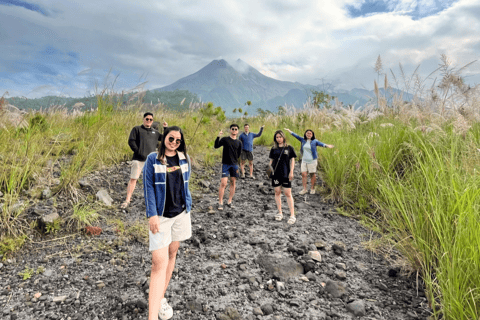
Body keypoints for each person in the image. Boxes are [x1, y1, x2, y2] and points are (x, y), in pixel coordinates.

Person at [143, 126, 192, 320]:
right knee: (158, 263)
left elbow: (185, 184)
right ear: (164, 138)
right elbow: (148, 187)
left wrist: (187, 205)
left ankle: (160, 297)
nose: (174, 142)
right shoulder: (152, 159)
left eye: (178, 140)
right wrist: (152, 214)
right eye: (171, 138)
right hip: (161, 217)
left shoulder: (184, 158)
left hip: (180, 214)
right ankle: (152, 317)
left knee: (172, 253)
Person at [121, 112, 167, 209]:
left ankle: (156, 200)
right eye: (147, 119)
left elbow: (165, 139)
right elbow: (131, 141)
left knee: (154, 180)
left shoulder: (155, 132)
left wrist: (166, 128)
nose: (149, 121)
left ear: (152, 121)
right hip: (138, 159)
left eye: (151, 119)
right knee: (133, 179)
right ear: (143, 119)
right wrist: (138, 151)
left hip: (151, 161)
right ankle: (127, 200)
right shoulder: (137, 129)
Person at [284, 128, 334, 195]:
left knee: (312, 175)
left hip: (312, 160)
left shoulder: (315, 141)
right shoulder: (303, 139)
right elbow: (296, 136)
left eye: (310, 133)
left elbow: (322, 144)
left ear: (312, 135)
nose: (309, 134)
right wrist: (289, 131)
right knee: (303, 174)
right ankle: (304, 189)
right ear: (305, 134)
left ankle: (312, 188)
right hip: (304, 160)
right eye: (307, 133)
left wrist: (327, 145)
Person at [269, 130, 297, 224]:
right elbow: (271, 161)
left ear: (283, 137)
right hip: (276, 174)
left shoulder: (289, 148)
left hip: (286, 173)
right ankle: (280, 212)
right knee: (277, 192)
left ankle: (292, 215)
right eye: (277, 137)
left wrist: (292, 172)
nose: (278, 139)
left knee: (288, 193)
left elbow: (292, 161)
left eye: (280, 137)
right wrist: (269, 171)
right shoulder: (273, 149)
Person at [214, 124, 243, 210]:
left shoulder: (239, 142)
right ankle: (220, 202)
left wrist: (236, 163)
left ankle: (229, 201)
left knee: (233, 183)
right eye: (233, 129)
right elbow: (216, 146)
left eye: (236, 129)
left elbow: (239, 154)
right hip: (225, 164)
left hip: (234, 165)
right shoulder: (225, 139)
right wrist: (218, 136)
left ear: (237, 131)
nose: (234, 130)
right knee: (223, 183)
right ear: (230, 130)